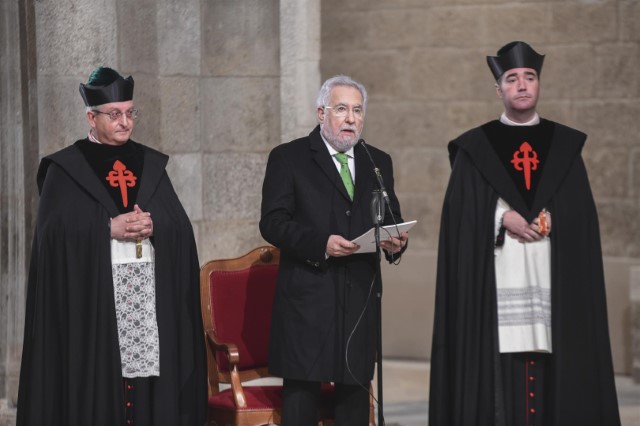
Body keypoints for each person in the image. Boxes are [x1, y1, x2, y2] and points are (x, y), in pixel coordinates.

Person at [428, 41, 621, 425]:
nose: (521, 85)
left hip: (552, 283)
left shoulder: (564, 146)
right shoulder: (475, 148)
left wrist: (554, 217)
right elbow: (460, 217)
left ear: (538, 85)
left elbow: (581, 217)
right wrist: (501, 218)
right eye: (511, 78)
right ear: (498, 89)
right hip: (496, 287)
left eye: (529, 77)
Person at [17, 67, 206, 425]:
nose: (125, 122)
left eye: (130, 112)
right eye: (114, 114)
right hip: (92, 296)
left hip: (146, 294)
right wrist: (107, 227)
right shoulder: (66, 167)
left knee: (145, 377)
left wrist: (156, 224)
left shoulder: (150, 163)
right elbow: (51, 234)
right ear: (91, 116)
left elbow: (179, 224)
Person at [260, 75, 409, 425]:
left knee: (354, 408)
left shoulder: (378, 161)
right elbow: (273, 223)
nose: (351, 118)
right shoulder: (289, 158)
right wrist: (321, 244)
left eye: (357, 110)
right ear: (320, 113)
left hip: (357, 306)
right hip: (307, 305)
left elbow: (391, 217)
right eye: (341, 109)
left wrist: (396, 241)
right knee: (301, 407)